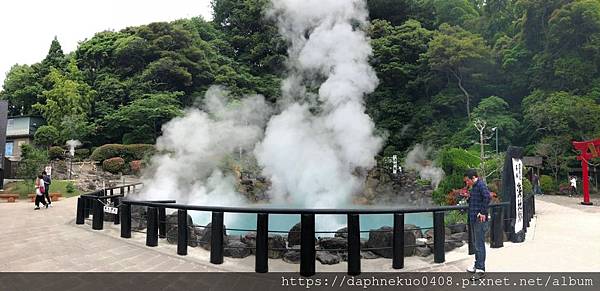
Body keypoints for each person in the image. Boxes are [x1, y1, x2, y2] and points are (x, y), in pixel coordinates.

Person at [465, 169, 490, 278]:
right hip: (474, 219)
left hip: (479, 220)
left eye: (467, 181)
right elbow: (478, 200)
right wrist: (468, 198)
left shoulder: (480, 185)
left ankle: (480, 269)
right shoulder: (474, 187)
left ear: (473, 178)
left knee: (479, 244)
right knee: (476, 244)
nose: (466, 183)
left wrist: (482, 212)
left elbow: (487, 197)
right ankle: (477, 265)